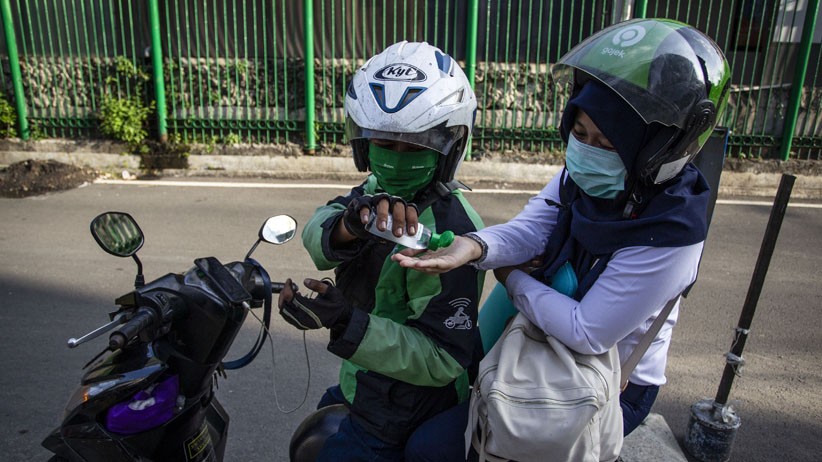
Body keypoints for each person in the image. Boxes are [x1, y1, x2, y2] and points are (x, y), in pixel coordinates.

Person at [394, 18, 731, 459]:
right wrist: (474, 247)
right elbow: (533, 228)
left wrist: (511, 277)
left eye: (607, 142)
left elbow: (586, 331)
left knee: (430, 449)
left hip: (607, 378)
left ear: (650, 148)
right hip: (538, 327)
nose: (586, 151)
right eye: (580, 133)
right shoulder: (587, 177)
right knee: (438, 398)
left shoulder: (672, 232)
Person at [278, 41, 485, 461]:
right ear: (363, 146)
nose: (396, 159)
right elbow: (319, 232)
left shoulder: (452, 234)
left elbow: (443, 356)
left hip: (407, 403)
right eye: (385, 144)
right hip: (364, 376)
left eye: (415, 148)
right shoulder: (374, 193)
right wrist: (348, 227)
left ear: (448, 149)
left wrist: (346, 323)